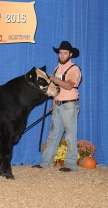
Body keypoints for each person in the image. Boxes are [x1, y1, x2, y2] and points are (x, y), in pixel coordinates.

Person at [32, 41, 81, 172]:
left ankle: (71, 164)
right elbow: (57, 89)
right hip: (59, 105)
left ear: (70, 54)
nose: (62, 55)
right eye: (60, 53)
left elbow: (69, 85)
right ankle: (45, 162)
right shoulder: (57, 68)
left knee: (70, 135)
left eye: (65, 53)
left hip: (70, 105)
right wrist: (54, 103)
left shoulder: (74, 69)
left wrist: (55, 79)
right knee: (53, 134)